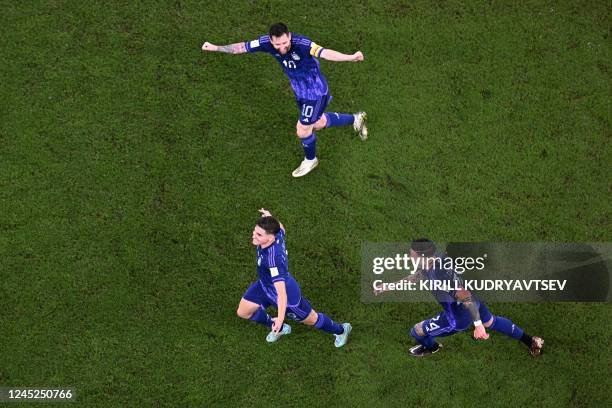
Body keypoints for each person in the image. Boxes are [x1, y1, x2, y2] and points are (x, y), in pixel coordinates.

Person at [202, 22, 368, 177]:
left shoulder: (302, 43)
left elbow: (325, 53)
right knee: (317, 123)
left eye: (285, 42)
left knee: (302, 129)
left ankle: (311, 160)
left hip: (315, 93)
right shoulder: (265, 42)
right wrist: (216, 47)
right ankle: (355, 119)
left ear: (289, 36)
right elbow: (242, 47)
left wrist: (350, 57)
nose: (282, 47)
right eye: (277, 45)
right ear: (271, 41)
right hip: (300, 92)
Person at [376, 239, 544, 357]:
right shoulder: (436, 260)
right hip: (474, 301)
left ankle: (432, 347)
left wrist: (477, 326)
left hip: (458, 316)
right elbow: (418, 276)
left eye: (412, 254)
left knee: (417, 330)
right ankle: (531, 341)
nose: (409, 256)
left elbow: (464, 295)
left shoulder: (439, 272)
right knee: (491, 322)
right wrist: (388, 286)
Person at [236, 208, 352, 347]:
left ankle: (341, 330)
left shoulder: (273, 261)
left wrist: (280, 318)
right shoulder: (277, 235)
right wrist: (270, 217)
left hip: (288, 297)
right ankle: (280, 328)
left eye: (259, 234)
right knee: (243, 311)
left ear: (270, 237)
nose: (253, 236)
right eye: (255, 231)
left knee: (311, 319)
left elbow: (282, 294)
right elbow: (281, 227)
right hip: (265, 285)